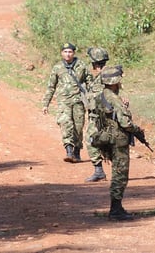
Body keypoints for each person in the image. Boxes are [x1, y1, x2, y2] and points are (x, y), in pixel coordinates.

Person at [97, 66, 144, 220]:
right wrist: (137, 130)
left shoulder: (102, 95)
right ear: (115, 81)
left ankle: (116, 208)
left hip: (107, 137)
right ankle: (116, 209)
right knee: (120, 174)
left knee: (117, 172)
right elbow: (125, 123)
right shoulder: (115, 99)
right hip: (118, 139)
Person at [42, 42, 93, 163]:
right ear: (61, 53)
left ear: (74, 53)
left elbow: (90, 83)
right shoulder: (57, 67)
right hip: (63, 102)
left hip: (78, 101)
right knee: (66, 124)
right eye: (65, 52)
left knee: (78, 127)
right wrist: (45, 103)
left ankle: (77, 151)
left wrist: (93, 99)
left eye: (70, 52)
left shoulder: (81, 66)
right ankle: (69, 151)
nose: (68, 54)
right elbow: (51, 87)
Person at [84, 47, 109, 182]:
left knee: (91, 141)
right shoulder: (107, 74)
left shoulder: (105, 76)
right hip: (99, 115)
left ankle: (99, 171)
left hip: (101, 117)